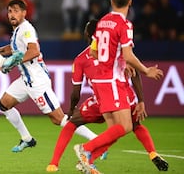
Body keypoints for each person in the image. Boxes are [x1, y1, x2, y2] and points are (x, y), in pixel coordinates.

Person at [46, 19, 168, 172]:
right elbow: (135, 73)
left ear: (88, 35)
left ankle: (55, 163)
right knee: (128, 126)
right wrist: (140, 99)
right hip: (122, 95)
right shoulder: (117, 50)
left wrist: (71, 110)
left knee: (73, 123)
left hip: (100, 100)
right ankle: (152, 153)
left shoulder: (80, 59)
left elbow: (76, 91)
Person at [73, 0, 164, 174]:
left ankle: (88, 160)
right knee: (126, 126)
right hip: (112, 81)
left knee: (116, 129)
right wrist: (146, 71)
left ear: (111, 2)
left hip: (100, 81)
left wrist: (117, 60)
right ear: (130, 2)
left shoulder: (103, 21)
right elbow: (129, 55)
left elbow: (93, 51)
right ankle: (85, 149)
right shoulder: (125, 25)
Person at [0, 0, 98, 152]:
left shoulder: (26, 29)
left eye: (16, 11)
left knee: (58, 119)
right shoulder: (17, 31)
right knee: (4, 104)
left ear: (24, 13)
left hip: (37, 81)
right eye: (10, 11)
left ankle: (95, 139)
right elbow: (14, 48)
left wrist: (11, 63)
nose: (12, 14)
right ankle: (27, 139)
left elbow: (34, 51)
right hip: (25, 80)